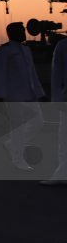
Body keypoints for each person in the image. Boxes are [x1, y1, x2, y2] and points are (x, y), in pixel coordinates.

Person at [0, 21, 45, 171]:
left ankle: (10, 144)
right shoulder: (4, 51)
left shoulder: (26, 50)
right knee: (18, 128)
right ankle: (18, 160)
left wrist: (41, 93)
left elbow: (32, 73)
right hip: (13, 95)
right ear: (13, 33)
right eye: (21, 30)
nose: (24, 32)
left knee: (39, 122)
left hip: (29, 94)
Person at [41, 37, 67, 185]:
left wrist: (57, 99)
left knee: (64, 139)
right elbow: (57, 75)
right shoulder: (63, 46)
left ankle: (62, 175)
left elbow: (56, 75)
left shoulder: (63, 46)